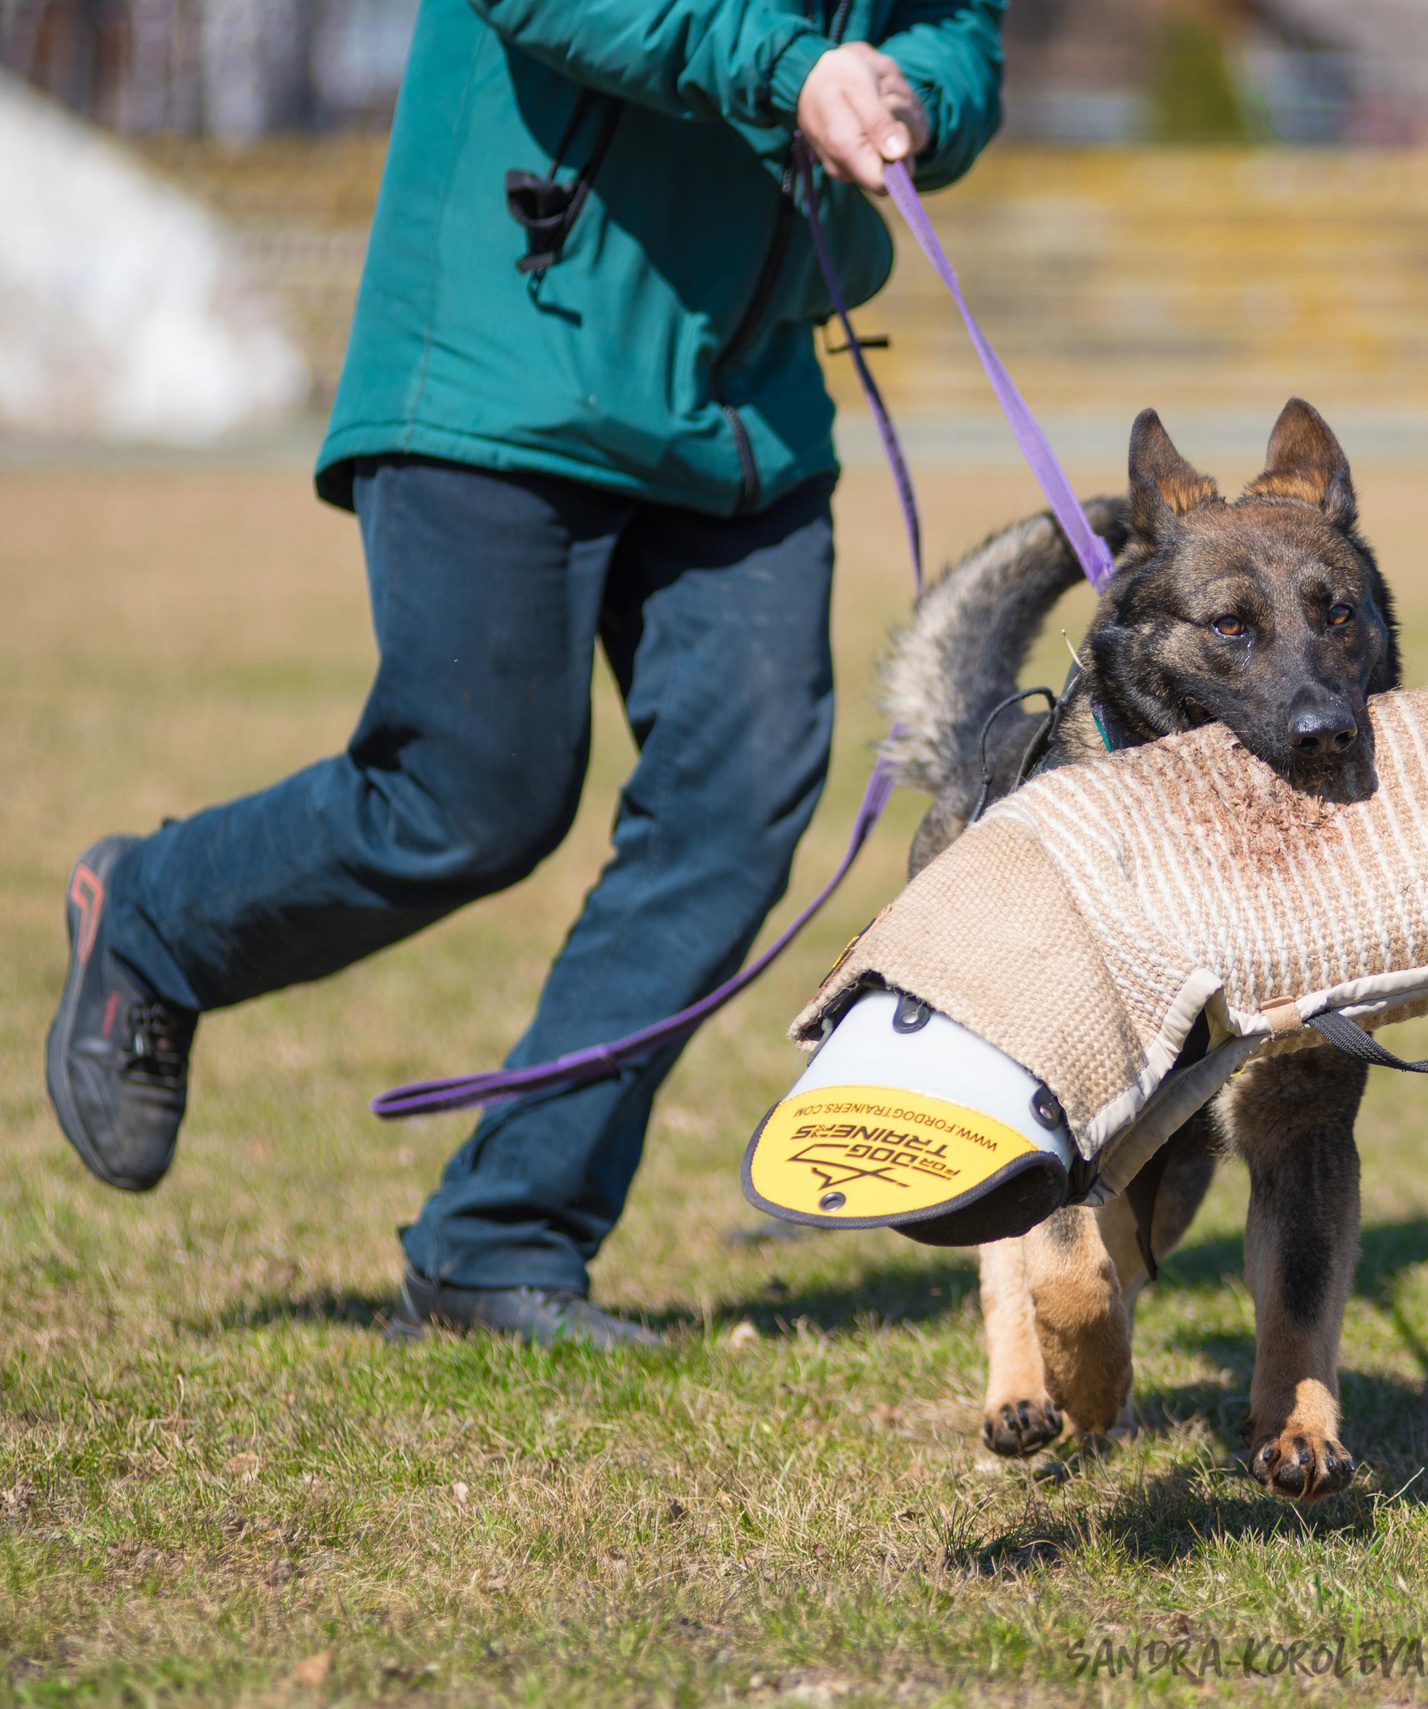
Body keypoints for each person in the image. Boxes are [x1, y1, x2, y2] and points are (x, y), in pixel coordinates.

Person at [43, 0, 1005, 1346]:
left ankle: (501, 1244)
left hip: (749, 403)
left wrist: (915, 92)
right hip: (513, 335)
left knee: (737, 810)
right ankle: (151, 916)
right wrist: (791, 71)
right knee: (472, 794)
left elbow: (963, 29)